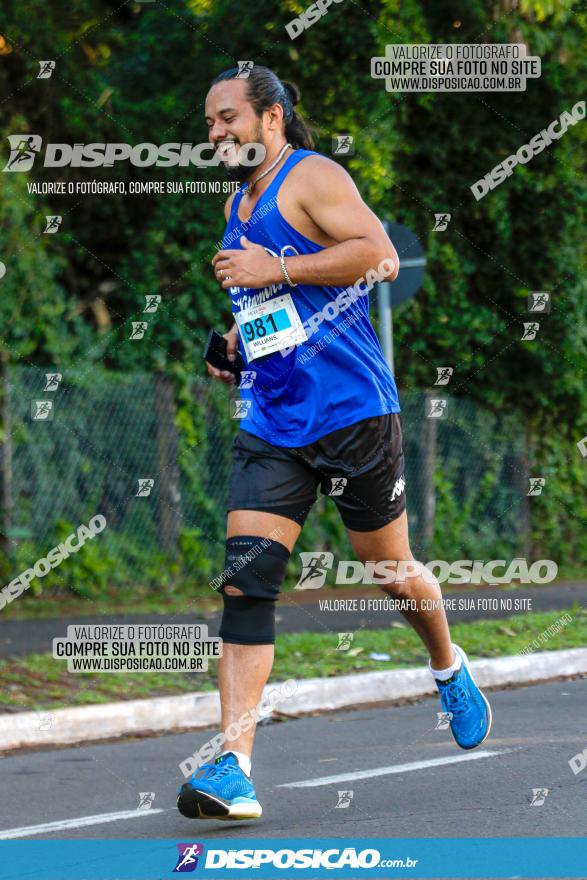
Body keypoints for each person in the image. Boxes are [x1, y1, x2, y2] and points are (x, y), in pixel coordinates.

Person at [177, 65, 491, 822]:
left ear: (271, 118)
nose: (214, 132)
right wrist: (232, 346)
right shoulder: (236, 202)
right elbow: (268, 304)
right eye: (210, 122)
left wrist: (275, 264)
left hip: (352, 412)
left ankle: (446, 666)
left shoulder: (311, 176)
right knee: (245, 585)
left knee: (387, 568)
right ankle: (233, 767)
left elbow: (376, 254)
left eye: (227, 118)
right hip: (272, 422)